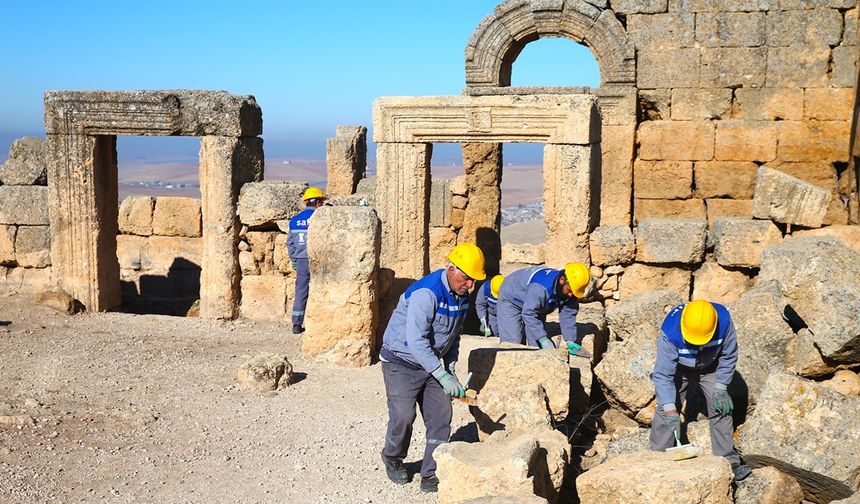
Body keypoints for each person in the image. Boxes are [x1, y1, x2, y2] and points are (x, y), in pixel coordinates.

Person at [379, 242, 486, 493]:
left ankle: (431, 472)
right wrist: (441, 374)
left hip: (431, 365)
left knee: (441, 417)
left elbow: (454, 335)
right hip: (401, 361)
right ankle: (392, 457)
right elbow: (416, 341)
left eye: (474, 281)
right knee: (403, 416)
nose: (470, 286)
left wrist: (449, 368)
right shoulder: (427, 293)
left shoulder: (461, 296)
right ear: (452, 269)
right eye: (468, 279)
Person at [650, 299, 752, 482]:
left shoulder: (724, 321)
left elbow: (729, 356)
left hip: (710, 367)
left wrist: (721, 388)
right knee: (665, 410)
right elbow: (663, 375)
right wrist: (670, 408)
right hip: (679, 369)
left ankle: (729, 462)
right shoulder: (671, 331)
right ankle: (656, 459)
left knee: (721, 406)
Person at [496, 263, 590, 353]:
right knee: (513, 344)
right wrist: (543, 338)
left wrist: (570, 341)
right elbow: (529, 313)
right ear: (562, 280)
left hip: (536, 303)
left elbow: (568, 315)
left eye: (574, 292)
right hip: (511, 297)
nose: (571, 295)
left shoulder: (570, 292)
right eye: (569, 290)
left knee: (536, 346)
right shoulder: (540, 289)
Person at [286, 186, 327, 334]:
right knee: (323, 289)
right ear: (317, 203)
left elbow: (290, 243)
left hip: (301, 259)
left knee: (301, 290)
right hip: (319, 259)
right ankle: (321, 322)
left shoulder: (295, 220)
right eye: (321, 202)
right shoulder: (321, 219)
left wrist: (294, 259)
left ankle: (297, 324)